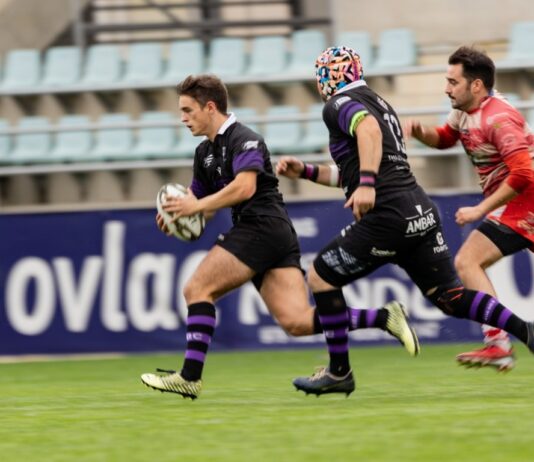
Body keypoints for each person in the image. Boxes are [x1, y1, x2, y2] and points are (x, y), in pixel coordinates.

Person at [140, 74, 420, 400]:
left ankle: (189, 377)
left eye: (188, 110)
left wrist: (196, 205)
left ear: (210, 107)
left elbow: (245, 187)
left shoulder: (245, 139)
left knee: (197, 289)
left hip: (261, 228)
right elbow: (202, 206)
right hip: (272, 233)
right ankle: (385, 317)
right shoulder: (205, 153)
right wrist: (178, 215)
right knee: (297, 322)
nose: (183, 118)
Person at [276, 46, 534, 397]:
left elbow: (368, 135)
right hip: (419, 211)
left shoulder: (338, 105)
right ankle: (526, 332)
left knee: (321, 275)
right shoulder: (379, 102)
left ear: (329, 76)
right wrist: (306, 171)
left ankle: (339, 373)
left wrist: (366, 184)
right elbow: (359, 169)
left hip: (389, 216)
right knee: (451, 297)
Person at [403, 46, 534, 371]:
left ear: (476, 85)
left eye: (452, 82)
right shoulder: (464, 112)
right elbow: (447, 137)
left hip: (525, 200)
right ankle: (499, 344)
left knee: (467, 261)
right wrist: (423, 133)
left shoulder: (499, 118)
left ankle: (499, 344)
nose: (446, 88)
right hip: (518, 203)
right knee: (468, 262)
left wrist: (480, 210)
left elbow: (523, 172)